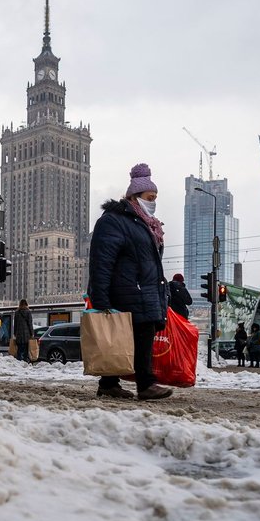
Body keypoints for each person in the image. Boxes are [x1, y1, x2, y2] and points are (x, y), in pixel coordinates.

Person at [88, 162, 174, 401]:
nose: (154, 201)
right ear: (135, 195)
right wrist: (101, 297)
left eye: (156, 197)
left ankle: (108, 383)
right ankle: (146, 385)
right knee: (138, 336)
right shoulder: (115, 221)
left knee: (130, 339)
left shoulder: (146, 225)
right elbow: (101, 261)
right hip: (126, 291)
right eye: (150, 196)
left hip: (143, 290)